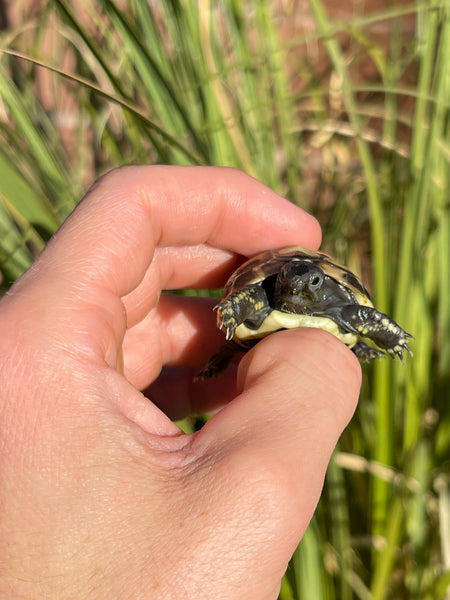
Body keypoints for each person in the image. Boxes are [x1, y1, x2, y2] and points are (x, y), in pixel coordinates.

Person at [0, 166, 361, 599]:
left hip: (318, 320)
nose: (298, 286)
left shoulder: (332, 299)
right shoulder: (265, 292)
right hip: (257, 333)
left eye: (310, 282)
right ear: (280, 280)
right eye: (289, 280)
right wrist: (235, 308)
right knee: (231, 348)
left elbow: (360, 313)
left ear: (321, 284)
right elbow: (246, 297)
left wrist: (383, 332)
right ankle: (219, 359)